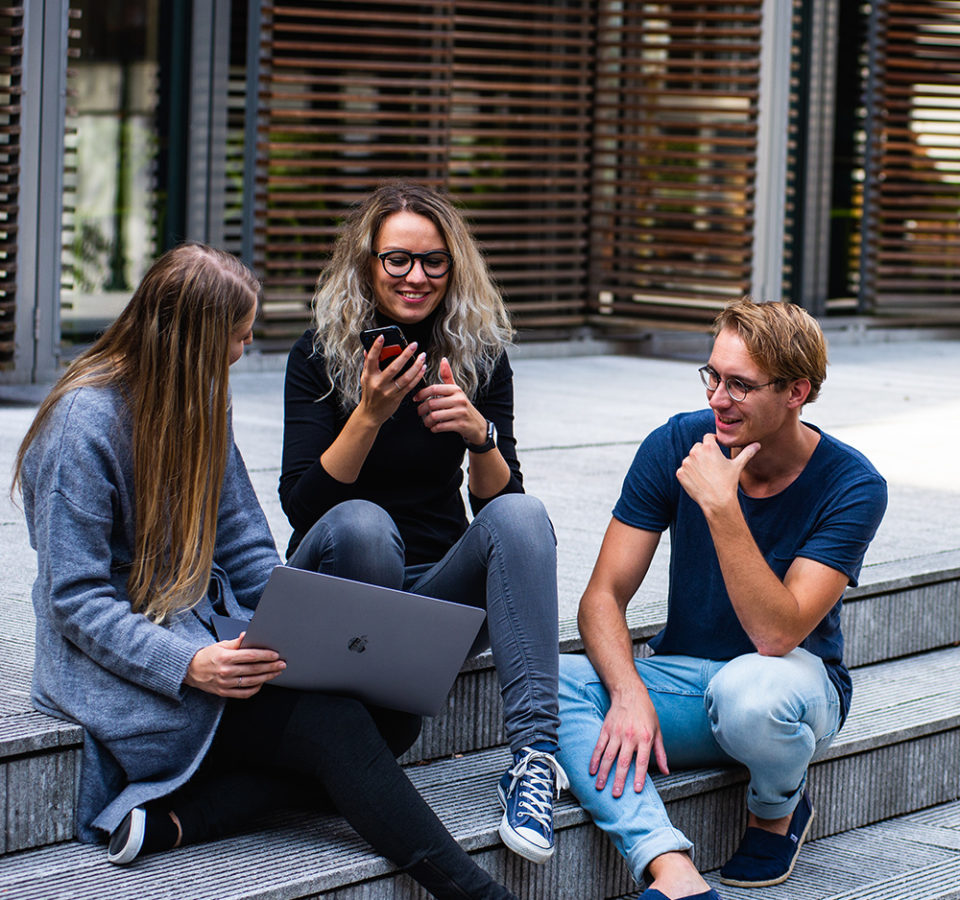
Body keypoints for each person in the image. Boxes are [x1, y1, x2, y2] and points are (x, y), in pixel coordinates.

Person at [13, 243, 517, 900]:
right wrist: (189, 666)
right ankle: (477, 894)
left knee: (392, 717)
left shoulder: (198, 399)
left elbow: (248, 547)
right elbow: (74, 601)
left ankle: (183, 820)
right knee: (333, 725)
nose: (241, 353)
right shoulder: (82, 426)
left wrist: (289, 633)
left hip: (207, 635)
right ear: (192, 340)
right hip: (123, 670)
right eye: (238, 338)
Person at [555, 298, 887, 900]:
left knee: (750, 692)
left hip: (790, 691)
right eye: (712, 376)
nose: (717, 398)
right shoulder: (679, 442)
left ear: (796, 392)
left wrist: (722, 505)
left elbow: (776, 636)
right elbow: (602, 595)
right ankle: (669, 868)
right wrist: (629, 693)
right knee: (550, 679)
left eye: (740, 384)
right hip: (685, 680)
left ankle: (776, 809)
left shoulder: (853, 485)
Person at [279, 181, 567, 864]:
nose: (416, 277)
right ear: (367, 263)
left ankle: (533, 762)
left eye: (434, 261)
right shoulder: (318, 355)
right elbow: (303, 506)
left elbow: (502, 510)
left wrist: (480, 437)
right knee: (363, 525)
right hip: (341, 585)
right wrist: (370, 414)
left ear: (454, 265)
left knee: (523, 517)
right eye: (397, 260)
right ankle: (357, 732)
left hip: (433, 599)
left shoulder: (479, 355)